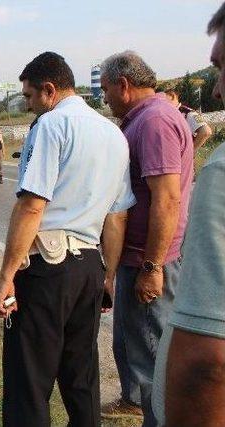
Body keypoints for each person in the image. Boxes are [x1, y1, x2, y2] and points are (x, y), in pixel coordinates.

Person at [0, 51, 135, 427]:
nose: (27, 104)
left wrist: (6, 277)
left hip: (47, 267)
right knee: (81, 376)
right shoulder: (114, 135)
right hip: (90, 265)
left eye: (29, 96)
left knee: (29, 378)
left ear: (49, 90)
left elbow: (32, 206)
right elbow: (117, 216)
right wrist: (108, 276)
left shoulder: (52, 125)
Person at [100, 51, 193, 426]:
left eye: (106, 90)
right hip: (137, 258)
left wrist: (152, 267)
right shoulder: (143, 119)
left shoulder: (154, 121)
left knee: (153, 355)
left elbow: (167, 198)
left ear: (123, 84)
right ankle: (136, 403)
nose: (104, 98)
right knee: (133, 345)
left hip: (150, 260)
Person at [152, 4, 225, 425]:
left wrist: (149, 264)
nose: (217, 89)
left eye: (223, 66)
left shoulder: (221, 173)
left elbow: (208, 362)